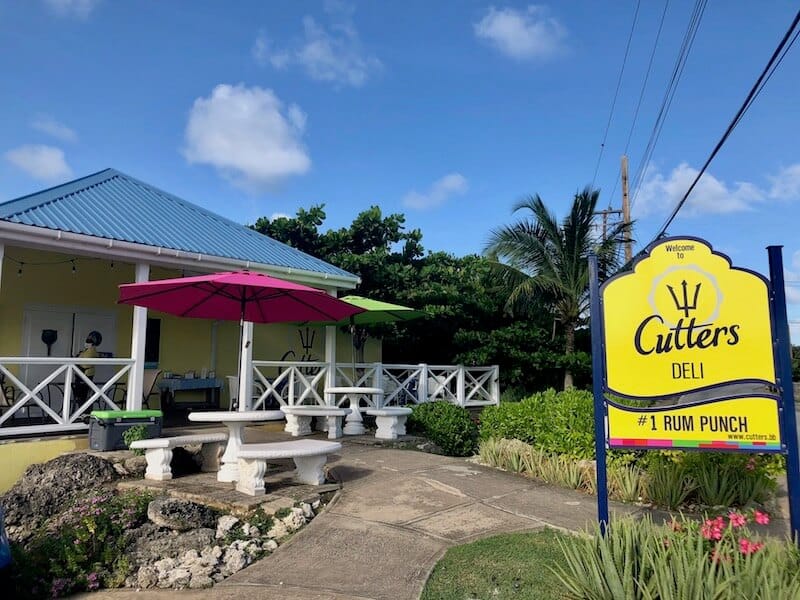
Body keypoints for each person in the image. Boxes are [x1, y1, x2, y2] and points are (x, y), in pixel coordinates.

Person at [73, 331, 101, 407]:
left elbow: (85, 364)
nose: (87, 342)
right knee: (80, 397)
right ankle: (81, 413)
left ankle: (84, 414)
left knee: (84, 397)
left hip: (86, 375)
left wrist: (77, 361)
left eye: (89, 341)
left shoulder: (92, 351)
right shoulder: (86, 351)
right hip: (80, 375)